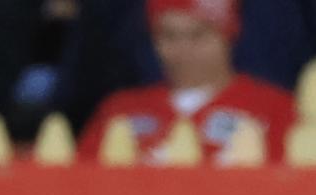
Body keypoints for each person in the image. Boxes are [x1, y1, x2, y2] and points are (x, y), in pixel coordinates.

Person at [77, 0, 296, 164]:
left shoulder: (272, 109)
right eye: (168, 36)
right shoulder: (120, 110)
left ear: (227, 36)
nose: (182, 49)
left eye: (197, 35)